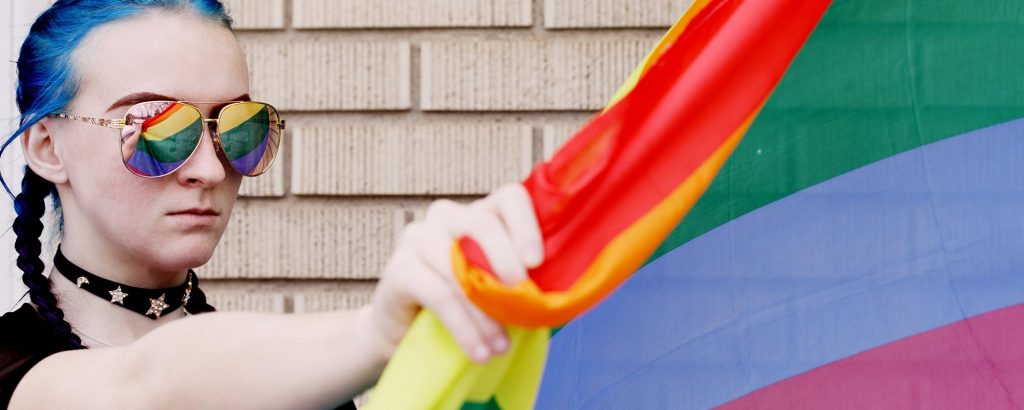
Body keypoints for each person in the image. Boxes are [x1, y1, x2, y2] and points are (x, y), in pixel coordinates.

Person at [0, 1, 543, 408]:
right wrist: (378, 332)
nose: (212, 170)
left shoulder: (304, 381)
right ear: (48, 148)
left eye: (239, 128)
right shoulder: (14, 369)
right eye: (157, 130)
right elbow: (153, 383)